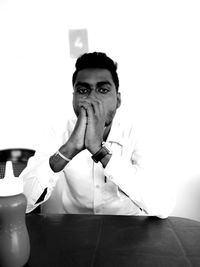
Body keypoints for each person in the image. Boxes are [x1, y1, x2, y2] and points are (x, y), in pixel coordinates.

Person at [22, 52, 174, 218]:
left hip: (126, 235)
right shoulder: (57, 133)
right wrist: (68, 150)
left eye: (103, 90)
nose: (93, 99)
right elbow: (22, 203)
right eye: (83, 90)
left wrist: (100, 151)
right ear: (73, 99)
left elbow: (162, 206)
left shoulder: (137, 134)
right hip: (68, 235)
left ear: (118, 100)